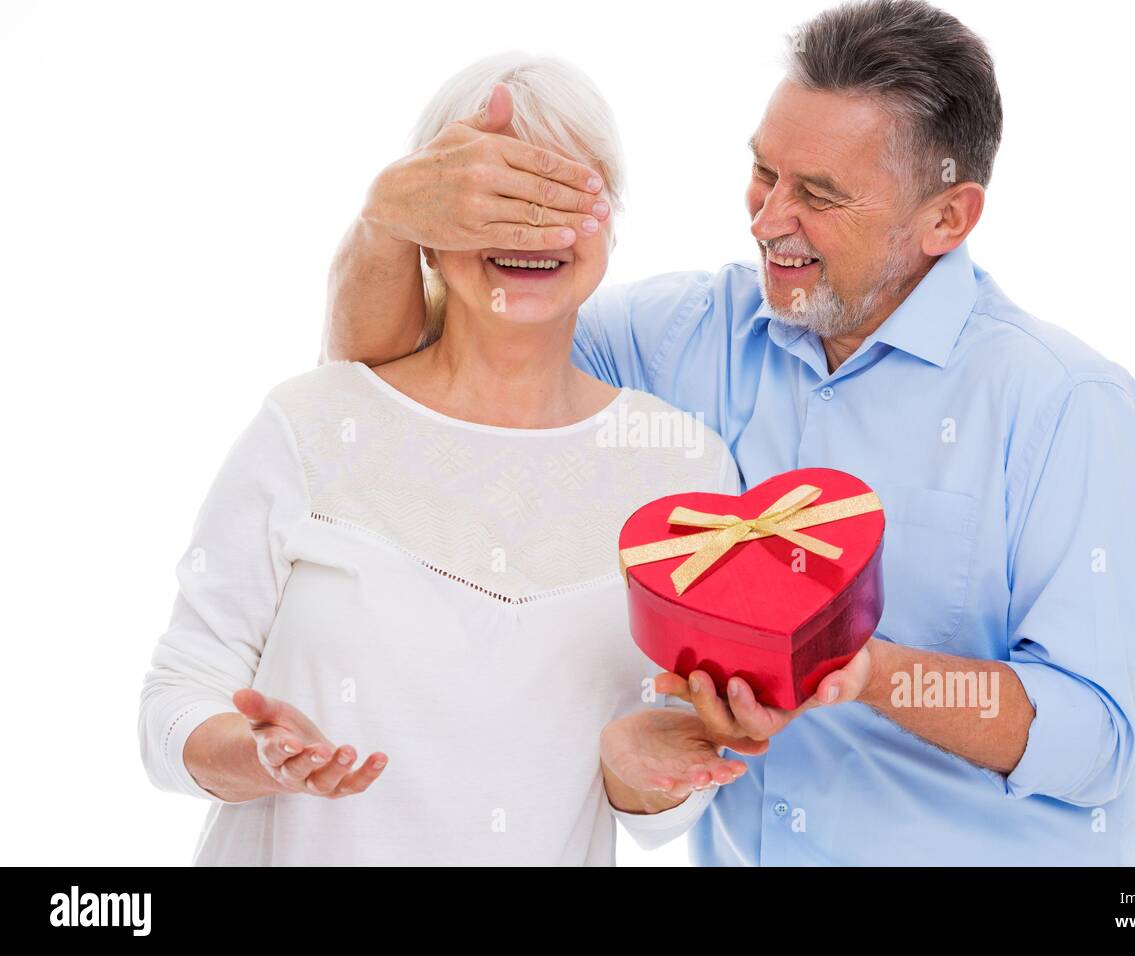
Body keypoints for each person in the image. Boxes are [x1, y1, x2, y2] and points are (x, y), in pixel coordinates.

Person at [323, 0, 1135, 866]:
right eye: (764, 173)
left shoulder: (1070, 407)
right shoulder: (683, 334)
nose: (767, 219)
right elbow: (404, 386)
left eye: (819, 195)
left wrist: (869, 671)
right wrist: (391, 221)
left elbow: (1096, 739)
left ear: (947, 218)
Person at [138, 52, 758, 866]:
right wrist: (251, 756)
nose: (528, 226)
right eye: (492, 196)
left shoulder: (684, 472)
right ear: (426, 229)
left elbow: (661, 788)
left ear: (611, 222)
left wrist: (639, 771)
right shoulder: (313, 422)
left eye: (564, 192)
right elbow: (173, 701)